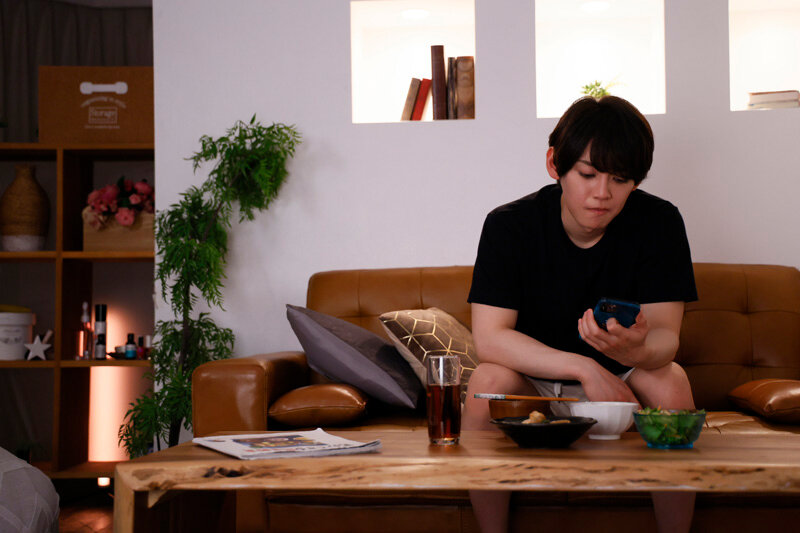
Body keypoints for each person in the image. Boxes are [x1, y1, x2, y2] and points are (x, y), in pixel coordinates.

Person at [463, 95, 698, 533]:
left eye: (620, 179)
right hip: (534, 382)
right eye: (588, 174)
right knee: (486, 383)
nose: (602, 193)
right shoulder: (509, 225)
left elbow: (667, 337)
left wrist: (637, 352)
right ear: (554, 164)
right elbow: (490, 339)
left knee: (672, 381)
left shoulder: (660, 222)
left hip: (626, 378)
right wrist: (585, 367)